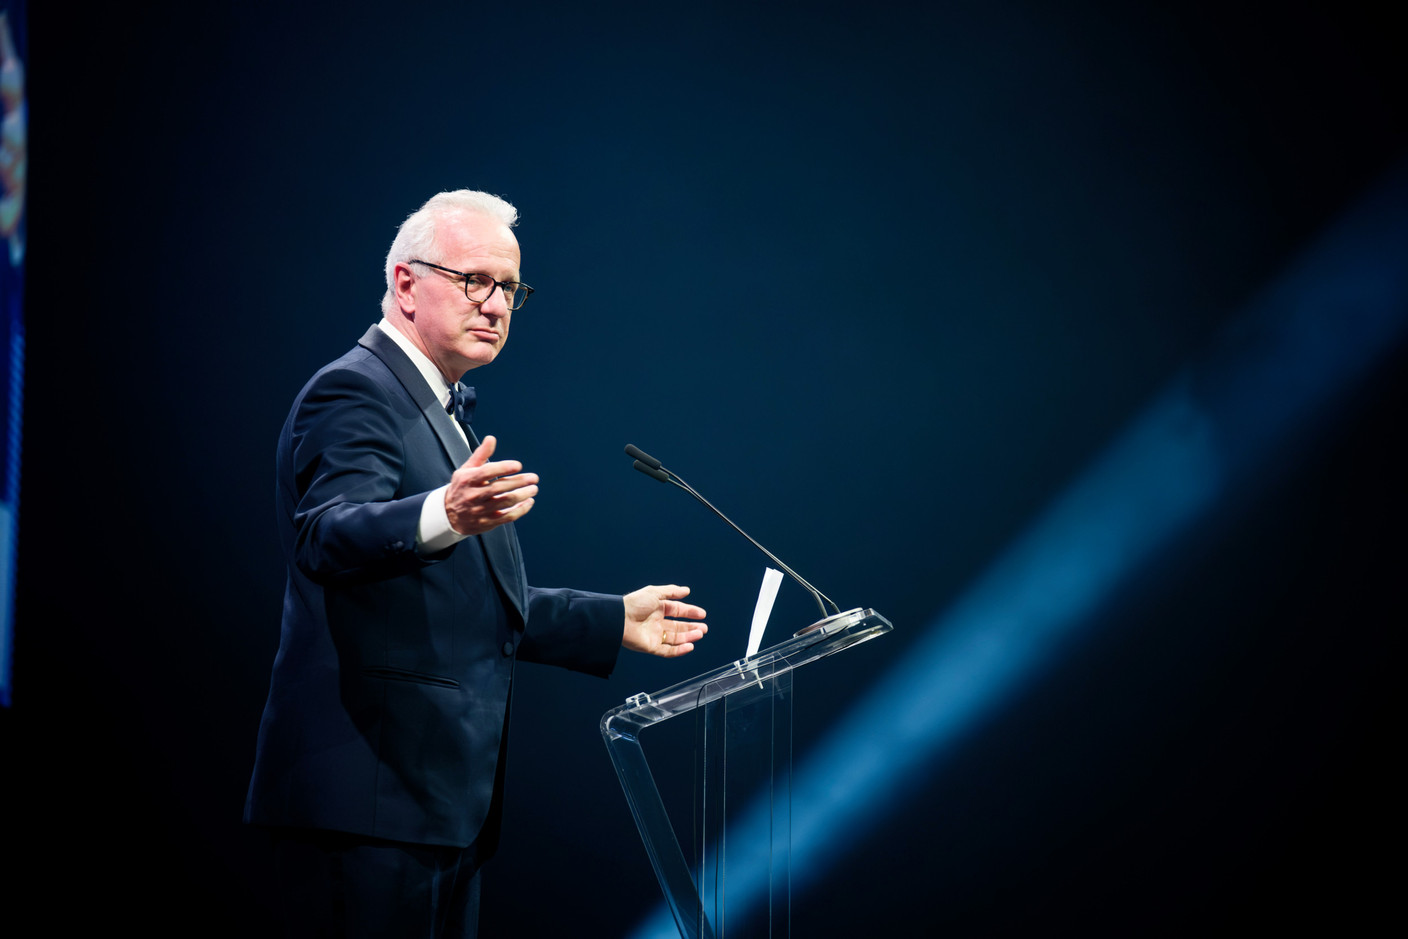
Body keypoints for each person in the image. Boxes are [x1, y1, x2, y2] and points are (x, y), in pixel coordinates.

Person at [244, 189, 707, 937]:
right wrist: (444, 514)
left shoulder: (436, 407)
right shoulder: (356, 390)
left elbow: (469, 597)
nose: (496, 304)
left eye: (510, 289)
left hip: (431, 807)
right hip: (367, 802)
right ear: (404, 282)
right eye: (474, 281)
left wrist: (611, 618)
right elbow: (326, 534)